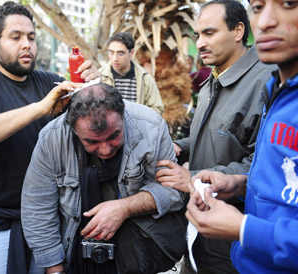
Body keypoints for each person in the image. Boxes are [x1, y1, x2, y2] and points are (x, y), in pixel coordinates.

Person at [0, 1, 99, 273]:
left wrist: (93, 84)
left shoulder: (48, 81)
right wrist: (40, 108)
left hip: (46, 220)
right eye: (15, 37)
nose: (27, 44)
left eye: (31, 37)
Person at [155, 0, 275, 273]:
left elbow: (264, 166)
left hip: (235, 239)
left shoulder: (267, 82)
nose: (199, 44)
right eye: (197, 36)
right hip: (199, 230)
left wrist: (193, 177)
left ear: (238, 31)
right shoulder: (213, 80)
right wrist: (179, 147)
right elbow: (212, 136)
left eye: (209, 33)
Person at [21, 83, 185, 274]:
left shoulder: (152, 128)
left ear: (124, 116)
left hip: (137, 258)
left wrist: (125, 207)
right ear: (72, 128)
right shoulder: (51, 139)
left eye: (114, 136)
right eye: (92, 142)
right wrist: (55, 269)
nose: (106, 150)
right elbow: (37, 209)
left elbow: (174, 191)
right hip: (72, 258)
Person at [186, 0, 298, 273]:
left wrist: (244, 228)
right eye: (258, 7)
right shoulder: (276, 89)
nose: (265, 21)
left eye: (289, 3)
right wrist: (239, 183)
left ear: (237, 32)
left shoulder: (263, 81)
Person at [100, 32, 164, 116]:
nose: (115, 58)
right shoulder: (99, 77)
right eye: (111, 53)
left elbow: (157, 109)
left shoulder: (145, 78)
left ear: (131, 53)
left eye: (120, 53)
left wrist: (138, 117)